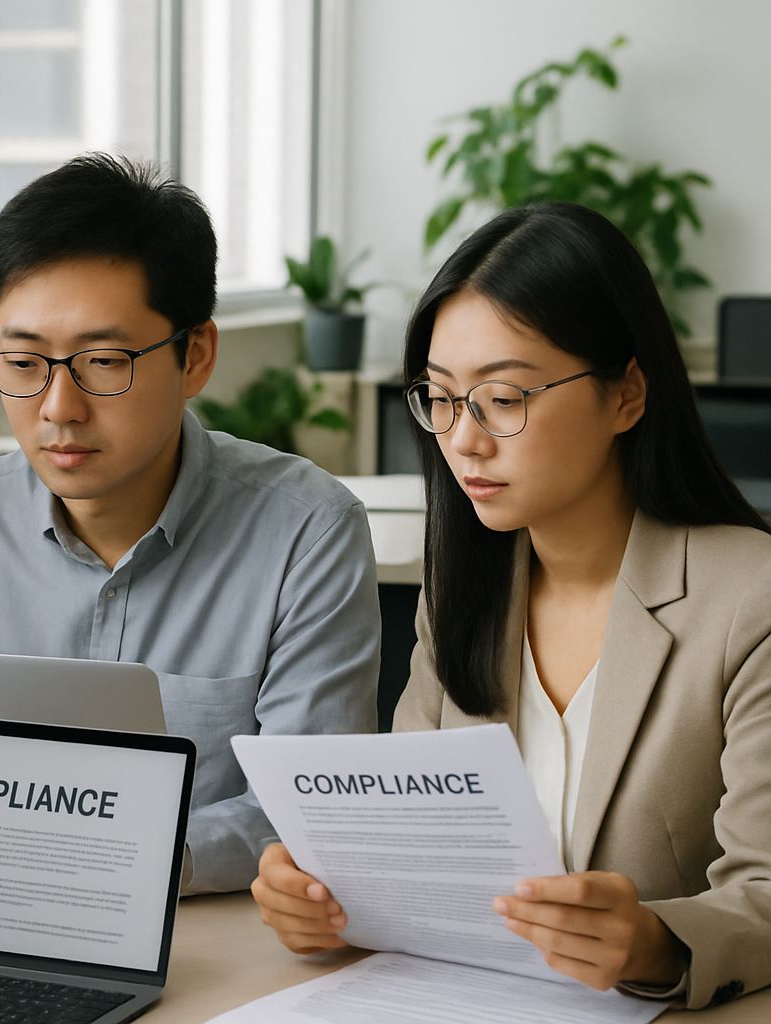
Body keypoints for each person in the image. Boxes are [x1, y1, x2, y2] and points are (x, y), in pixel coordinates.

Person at [0, 154, 381, 895]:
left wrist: (93, 858)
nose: (59, 408)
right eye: (22, 361)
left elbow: (311, 808)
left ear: (195, 356)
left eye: (102, 361)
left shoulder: (306, 534)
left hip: (204, 937)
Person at [250, 202, 771, 1009]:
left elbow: (764, 893)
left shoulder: (749, 600)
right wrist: (330, 901)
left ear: (627, 394)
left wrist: (657, 941)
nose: (464, 439)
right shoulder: (465, 592)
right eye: (441, 397)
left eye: (502, 397)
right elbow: (414, 860)